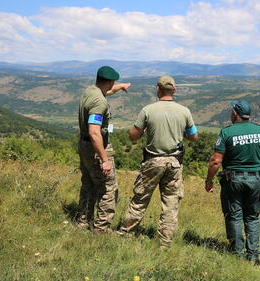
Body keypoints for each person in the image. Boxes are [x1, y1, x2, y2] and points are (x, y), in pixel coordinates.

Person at [117, 76, 198, 248]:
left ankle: (125, 233)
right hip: (175, 162)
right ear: (174, 90)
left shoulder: (148, 110)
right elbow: (193, 136)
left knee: (140, 199)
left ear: (158, 89)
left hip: (153, 161)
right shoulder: (184, 111)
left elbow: (132, 136)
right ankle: (165, 243)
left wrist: (146, 129)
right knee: (170, 204)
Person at [205, 100, 260, 265]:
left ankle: (236, 253)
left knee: (234, 216)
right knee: (252, 217)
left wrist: (209, 180)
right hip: (255, 178)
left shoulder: (227, 133)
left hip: (232, 179)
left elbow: (216, 161)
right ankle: (253, 256)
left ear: (235, 113)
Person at [76, 65, 131, 233]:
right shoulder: (99, 102)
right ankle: (101, 229)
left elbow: (106, 91)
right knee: (108, 189)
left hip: (84, 146)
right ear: (110, 81)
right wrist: (105, 159)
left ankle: (83, 221)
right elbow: (94, 132)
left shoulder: (90, 91)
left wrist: (119, 88)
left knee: (88, 185)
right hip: (96, 148)